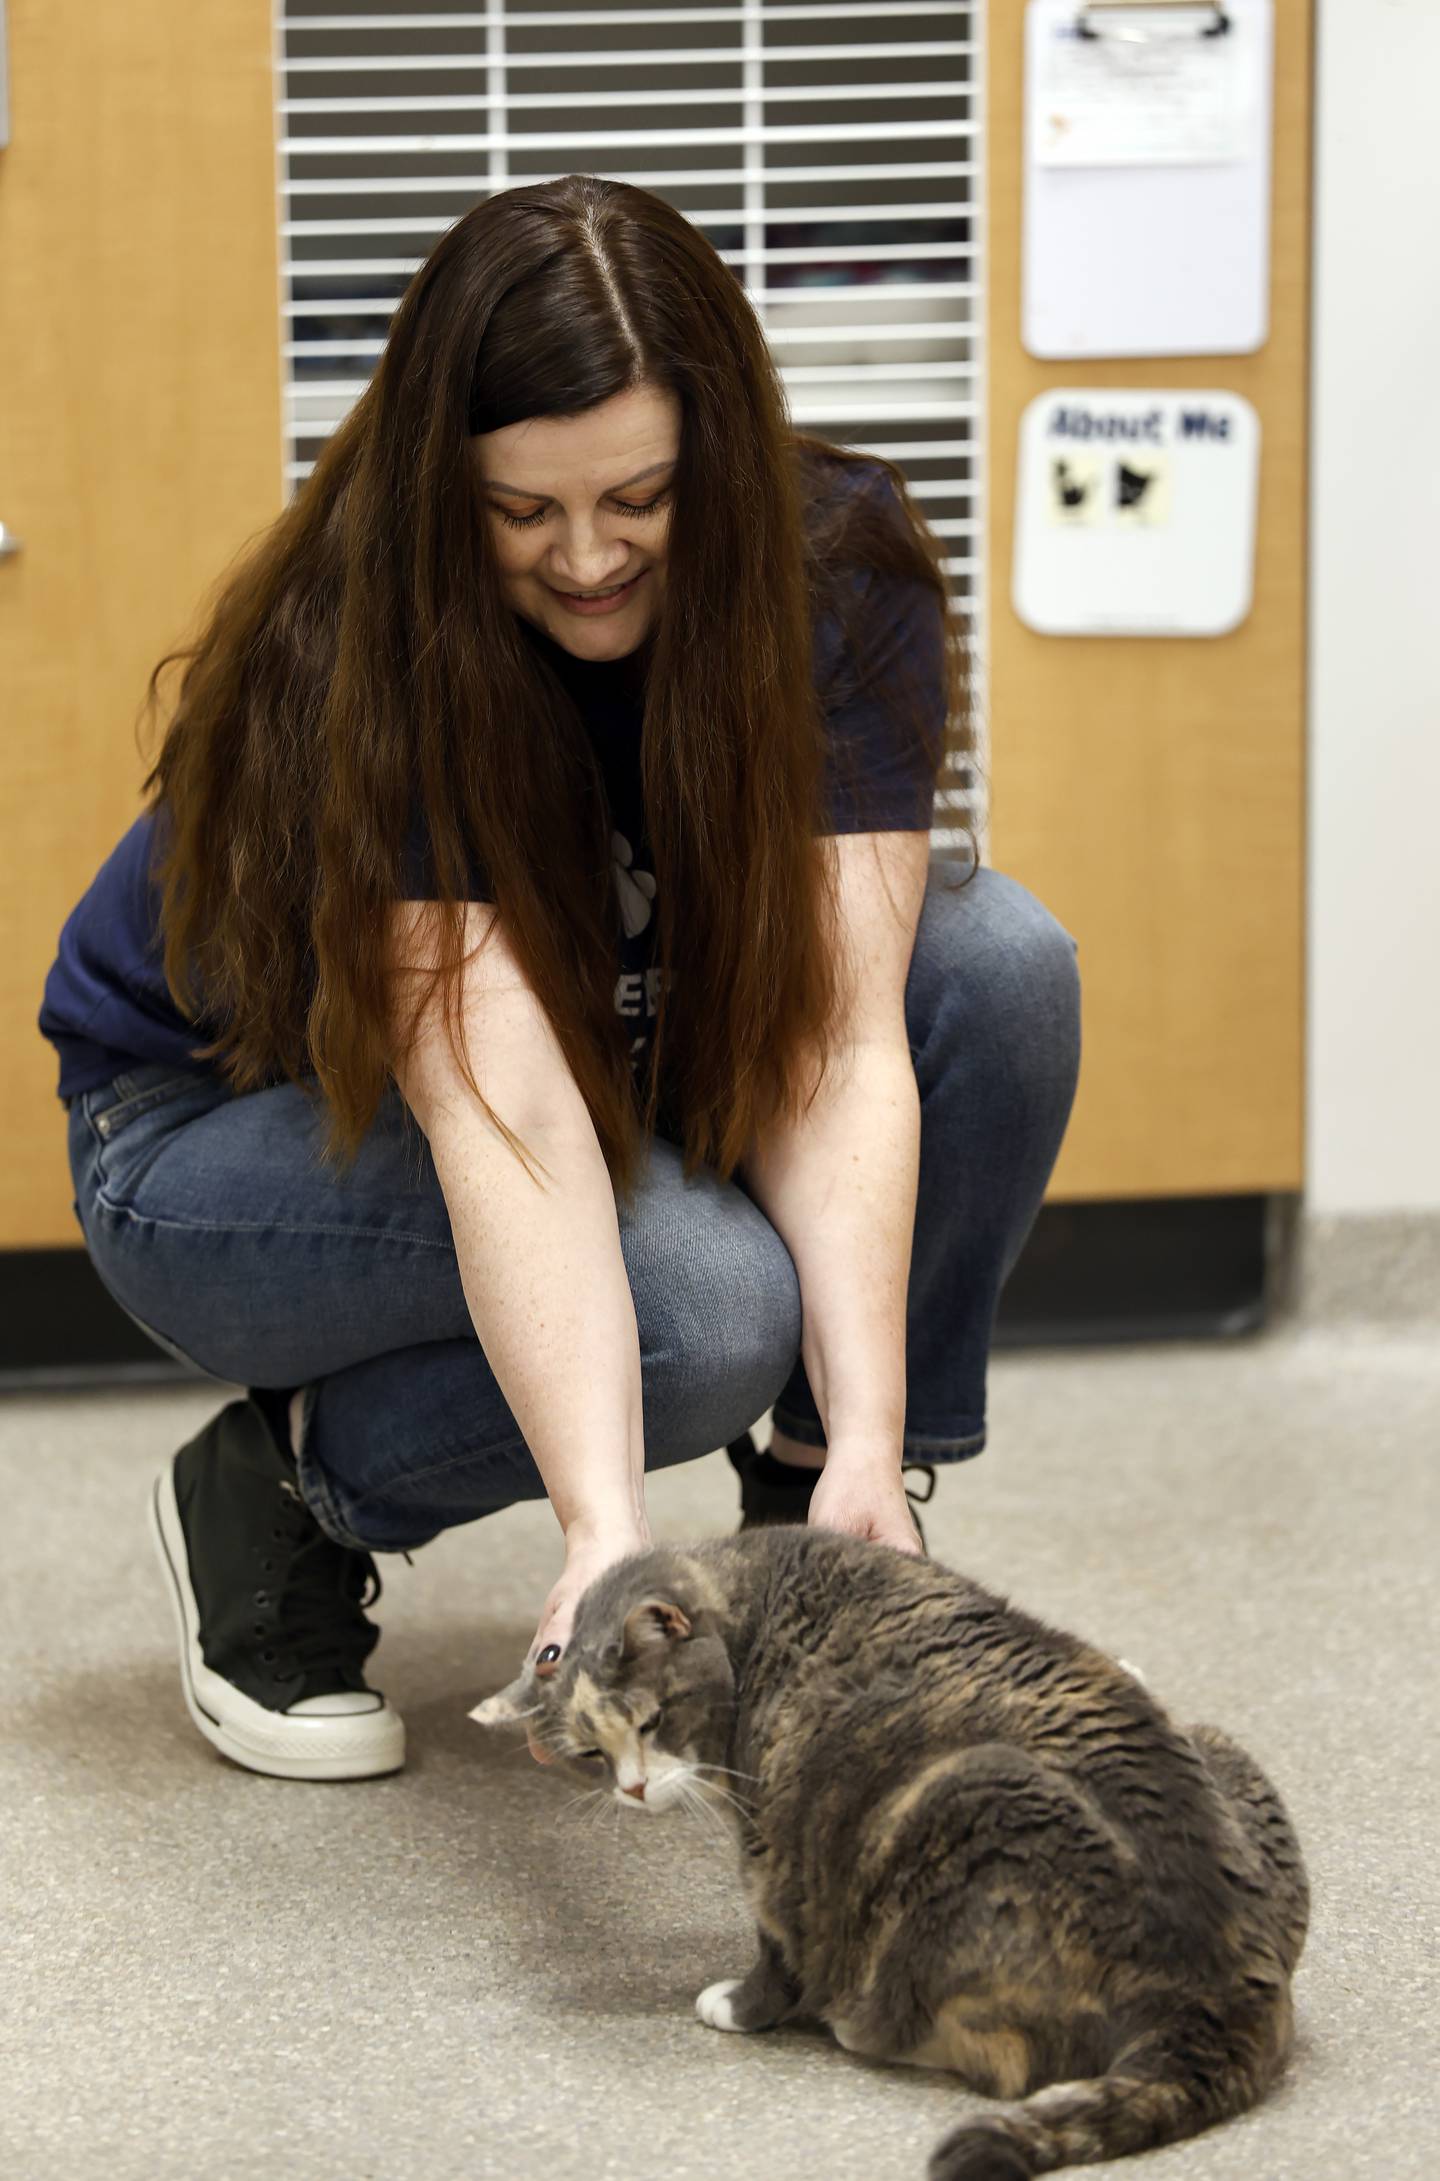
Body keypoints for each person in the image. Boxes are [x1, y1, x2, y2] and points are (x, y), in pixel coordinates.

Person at [38, 175, 1081, 1785]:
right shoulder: (367, 641)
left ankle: (821, 1513)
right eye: (522, 513)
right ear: (447, 492)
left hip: (608, 1038)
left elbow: (841, 1033)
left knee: (997, 968)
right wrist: (606, 1535)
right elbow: (506, 1104)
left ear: (718, 461)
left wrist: (863, 1435)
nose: (587, 560)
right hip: (215, 1126)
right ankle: (283, 1496)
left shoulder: (836, 569)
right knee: (702, 1301)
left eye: (640, 499)